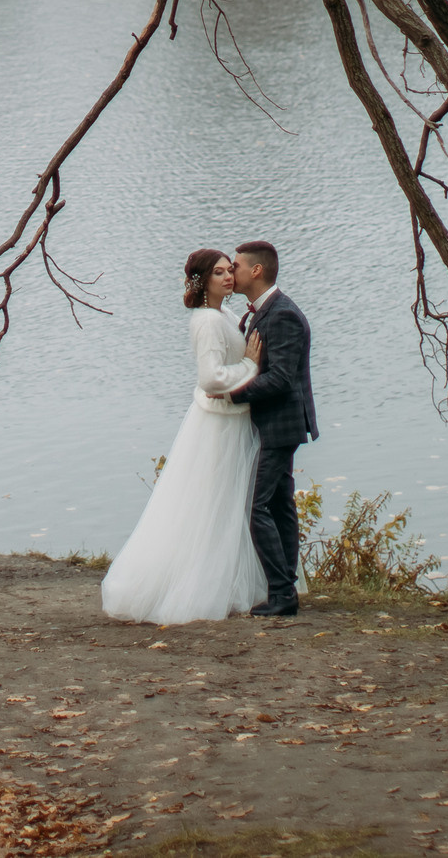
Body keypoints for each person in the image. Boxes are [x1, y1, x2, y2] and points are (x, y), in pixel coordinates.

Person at [98, 249, 270, 624]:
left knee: (225, 503)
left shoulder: (223, 314)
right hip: (219, 424)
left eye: (230, 270)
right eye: (219, 273)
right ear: (203, 280)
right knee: (210, 502)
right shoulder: (207, 321)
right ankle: (195, 587)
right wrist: (250, 365)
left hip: (230, 417)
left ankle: (223, 580)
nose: (228, 277)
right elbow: (210, 378)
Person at [224, 240, 317, 616]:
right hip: (275, 423)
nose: (232, 272)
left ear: (256, 270)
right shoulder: (264, 313)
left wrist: (233, 394)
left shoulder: (282, 315)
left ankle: (281, 592)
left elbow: (280, 379)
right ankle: (284, 590)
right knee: (279, 505)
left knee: (256, 505)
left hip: (281, 424)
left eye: (236, 266)